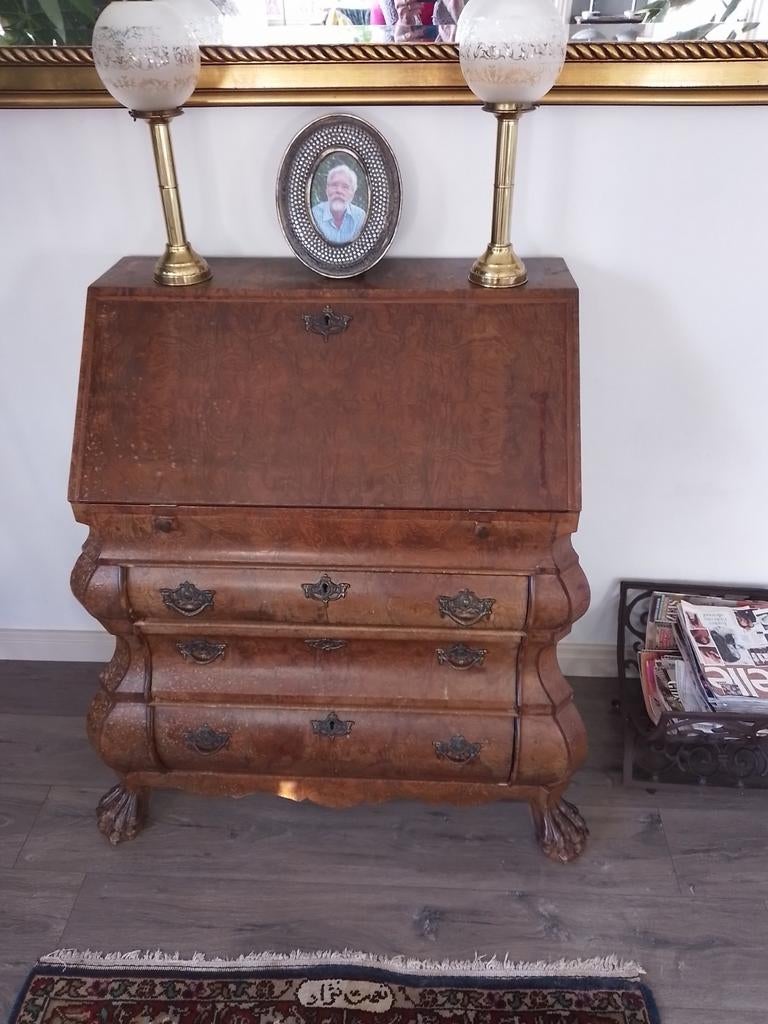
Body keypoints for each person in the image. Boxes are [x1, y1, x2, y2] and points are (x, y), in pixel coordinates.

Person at [312, 164, 366, 245]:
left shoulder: (360, 217)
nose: (339, 191)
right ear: (327, 190)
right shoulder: (315, 215)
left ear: (353, 193)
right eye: (334, 185)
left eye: (345, 187)